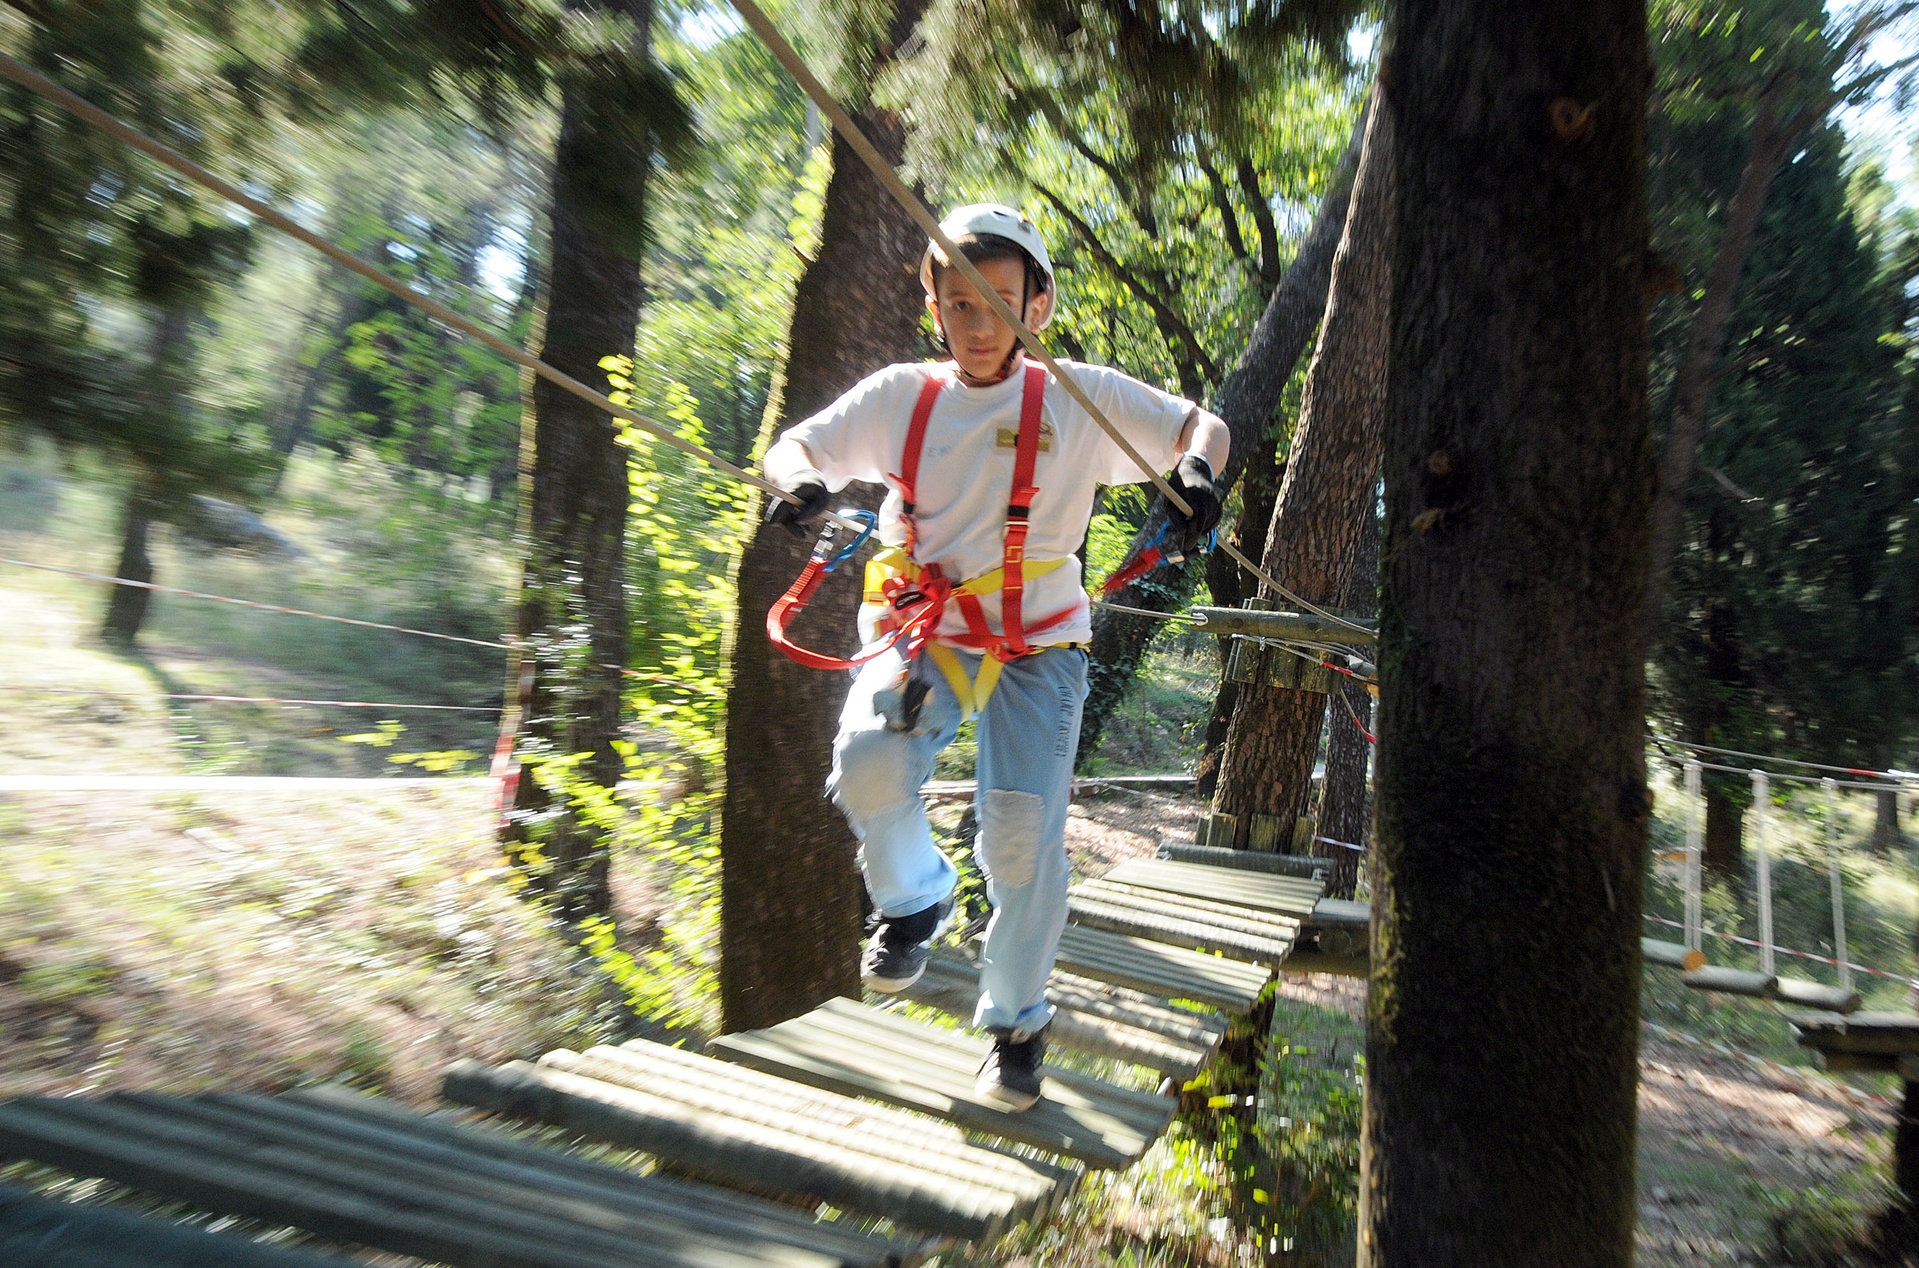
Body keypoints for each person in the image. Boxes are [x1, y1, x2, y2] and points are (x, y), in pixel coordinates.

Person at [762, 203, 1229, 1110]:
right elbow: (797, 446)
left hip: (1037, 642)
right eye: (959, 304)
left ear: (1039, 305)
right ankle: (912, 900)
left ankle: (1015, 1022)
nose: (980, 326)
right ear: (932, 306)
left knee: (1019, 836)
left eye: (1001, 303)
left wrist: (1199, 478)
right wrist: (800, 487)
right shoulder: (904, 397)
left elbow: (1195, 429)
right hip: (927, 630)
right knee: (864, 763)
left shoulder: (1076, 398)